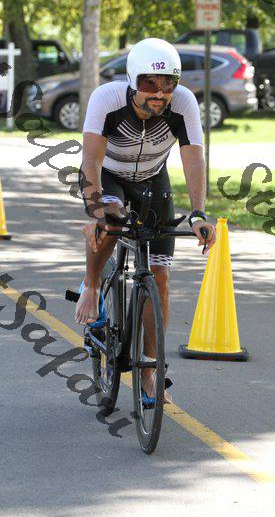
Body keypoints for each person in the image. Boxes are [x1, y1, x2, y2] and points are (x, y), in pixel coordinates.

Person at [75, 37, 216, 403]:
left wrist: (199, 212)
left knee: (161, 276)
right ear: (132, 79)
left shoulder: (183, 103)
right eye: (149, 83)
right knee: (112, 220)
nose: (159, 92)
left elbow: (193, 157)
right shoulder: (106, 99)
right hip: (108, 176)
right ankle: (92, 285)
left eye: (168, 83)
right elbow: (91, 161)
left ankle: (150, 370)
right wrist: (96, 211)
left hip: (153, 179)